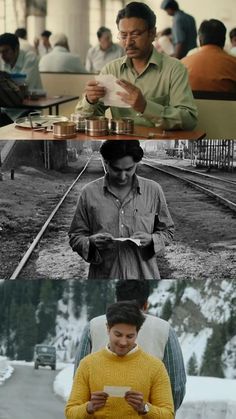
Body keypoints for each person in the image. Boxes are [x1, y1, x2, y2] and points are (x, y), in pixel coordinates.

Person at [75, 2, 198, 131]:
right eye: (123, 35)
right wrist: (89, 100)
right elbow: (83, 120)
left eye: (135, 34)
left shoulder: (174, 69)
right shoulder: (111, 70)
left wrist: (145, 107)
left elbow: (189, 120)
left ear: (152, 33)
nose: (128, 42)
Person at [74, 280, 186, 412]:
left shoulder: (93, 326)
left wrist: (89, 408)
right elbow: (176, 387)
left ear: (116, 301)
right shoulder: (165, 329)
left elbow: (78, 379)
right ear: (145, 305)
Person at [69, 140, 174, 280]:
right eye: (116, 170)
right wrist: (91, 241)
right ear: (106, 162)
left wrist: (152, 239)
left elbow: (168, 231)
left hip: (144, 277)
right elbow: (75, 236)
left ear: (137, 163)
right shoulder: (89, 193)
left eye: (129, 169)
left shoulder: (153, 190)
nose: (123, 176)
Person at [65, 300, 174, 419]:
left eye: (130, 336)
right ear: (108, 328)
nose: (123, 342)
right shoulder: (88, 364)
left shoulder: (155, 367)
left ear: (137, 332)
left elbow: (168, 415)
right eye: (118, 335)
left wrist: (145, 408)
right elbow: (70, 412)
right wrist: (89, 407)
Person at [181, 19, 236, 92]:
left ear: (200, 39)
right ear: (223, 40)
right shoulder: (233, 63)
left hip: (189, 103)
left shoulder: (181, 64)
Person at [0, 32, 42, 124]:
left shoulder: (30, 58)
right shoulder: (2, 60)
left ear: (16, 48)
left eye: (6, 51)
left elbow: (24, 85)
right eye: (0, 52)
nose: (2, 56)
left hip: (27, 109)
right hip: (7, 109)